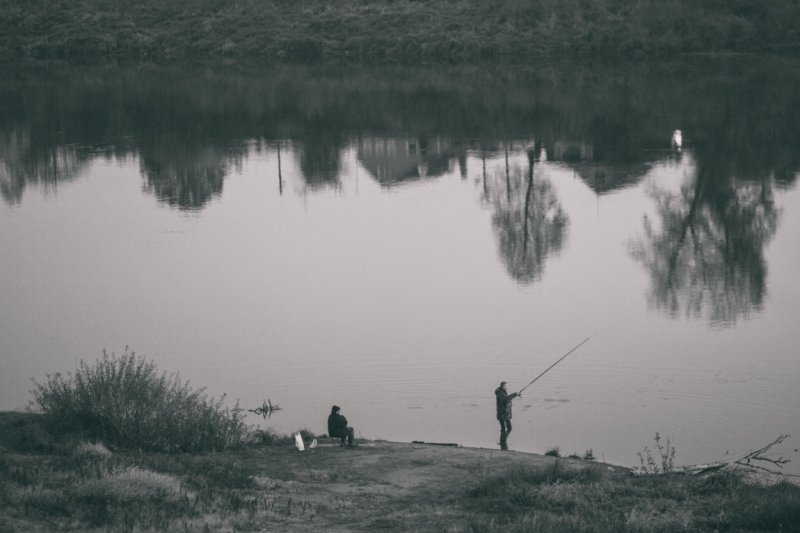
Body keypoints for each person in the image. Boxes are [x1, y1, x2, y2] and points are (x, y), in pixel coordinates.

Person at [495, 381, 519, 449]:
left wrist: (516, 394)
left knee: (504, 428)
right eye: (506, 386)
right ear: (503, 386)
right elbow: (506, 399)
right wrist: (515, 394)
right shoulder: (500, 393)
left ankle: (502, 443)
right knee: (509, 428)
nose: (507, 387)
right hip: (504, 414)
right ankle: (503, 442)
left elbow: (506, 399)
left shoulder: (501, 392)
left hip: (502, 414)